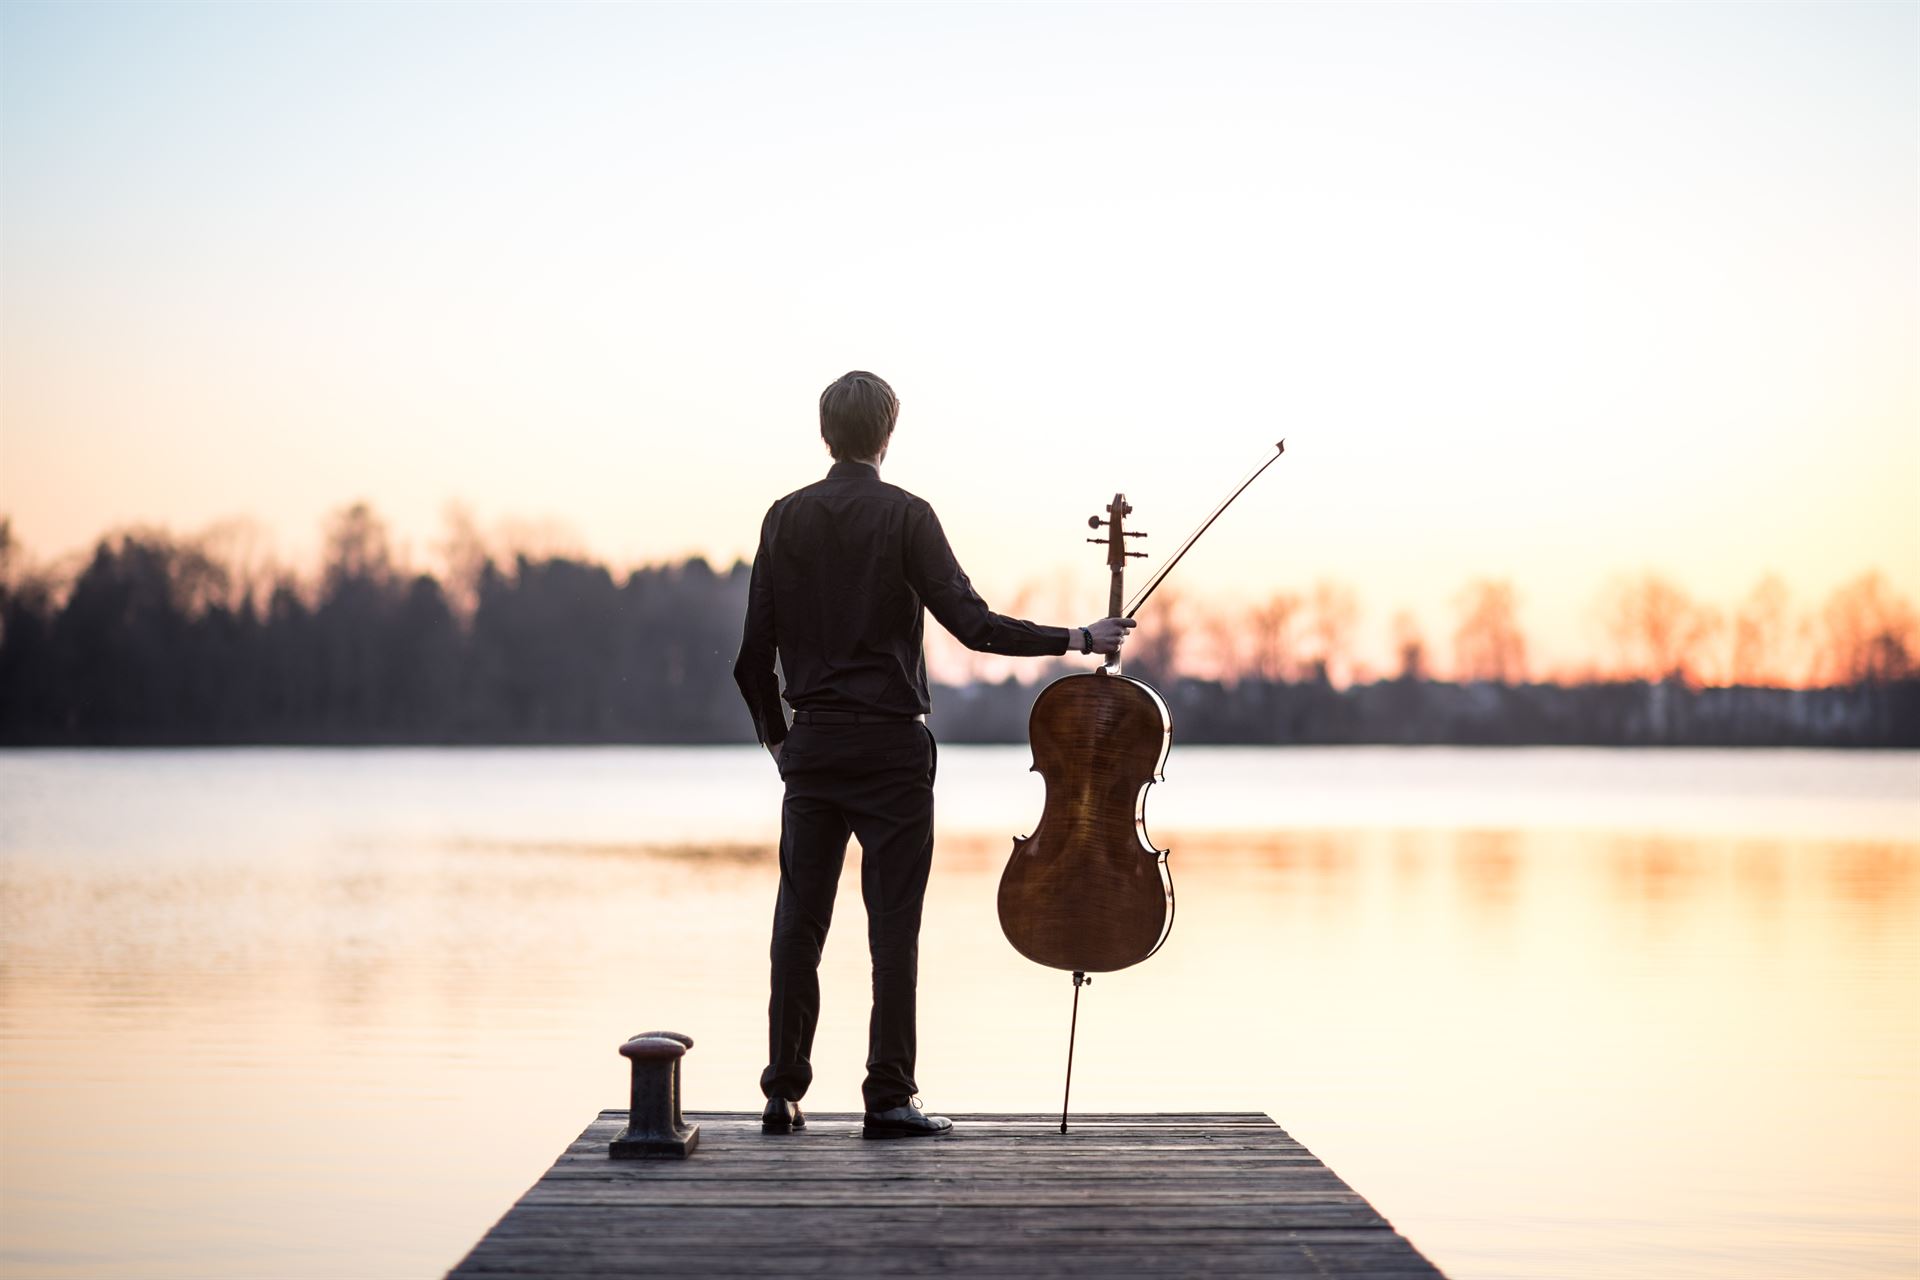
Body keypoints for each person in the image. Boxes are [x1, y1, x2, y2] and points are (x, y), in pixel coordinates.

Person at [732, 371, 1135, 1140]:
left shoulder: (783, 519)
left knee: (799, 922)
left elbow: (752, 659)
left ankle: (783, 1095)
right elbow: (973, 626)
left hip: (812, 745)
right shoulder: (907, 516)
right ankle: (888, 1098)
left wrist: (780, 743)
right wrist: (1079, 639)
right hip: (889, 748)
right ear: (887, 435)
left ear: (827, 434)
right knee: (893, 929)